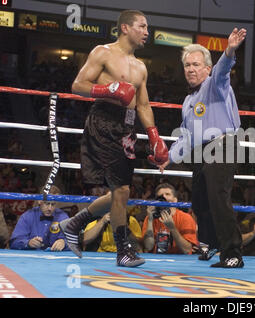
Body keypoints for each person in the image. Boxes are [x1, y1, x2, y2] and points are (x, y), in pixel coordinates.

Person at [59, 10, 168, 267]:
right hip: (104, 121)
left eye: (147, 27)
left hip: (128, 127)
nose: (146, 32)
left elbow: (143, 105)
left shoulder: (141, 67)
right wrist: (106, 89)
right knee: (120, 190)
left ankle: (75, 223)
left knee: (122, 192)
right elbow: (78, 85)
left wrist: (154, 137)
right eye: (142, 26)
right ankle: (124, 251)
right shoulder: (103, 52)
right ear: (125, 28)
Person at [158, 28, 247, 268]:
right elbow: (186, 136)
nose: (191, 69)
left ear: (207, 68)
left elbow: (223, 70)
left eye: (196, 64)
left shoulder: (215, 85)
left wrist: (229, 49)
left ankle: (232, 253)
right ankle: (210, 244)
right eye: (187, 65)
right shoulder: (188, 102)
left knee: (218, 198)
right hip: (200, 152)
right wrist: (168, 157)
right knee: (199, 201)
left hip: (222, 145)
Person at [142, 183, 198, 254]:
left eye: (167, 194)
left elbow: (186, 250)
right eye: (160, 196)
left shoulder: (185, 218)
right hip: (156, 260)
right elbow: (148, 246)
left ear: (175, 200)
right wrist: (150, 220)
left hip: (180, 261)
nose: (164, 197)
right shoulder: (151, 217)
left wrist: (172, 228)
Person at [9, 186, 69, 251]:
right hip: (31, 259)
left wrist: (64, 243)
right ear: (39, 201)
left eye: (53, 204)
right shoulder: (27, 216)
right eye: (47, 203)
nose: (50, 208)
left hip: (55, 259)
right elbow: (14, 242)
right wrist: (28, 243)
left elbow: (74, 243)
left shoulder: (63, 217)